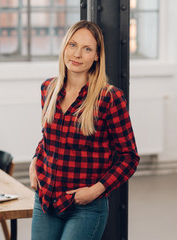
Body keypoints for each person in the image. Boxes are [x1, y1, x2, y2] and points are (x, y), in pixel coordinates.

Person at [29, 20, 139, 240]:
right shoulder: (48, 89)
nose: (77, 54)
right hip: (46, 200)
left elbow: (129, 158)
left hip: (86, 208)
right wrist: (34, 162)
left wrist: (96, 190)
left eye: (87, 49)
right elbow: (49, 139)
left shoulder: (109, 98)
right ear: (64, 47)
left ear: (97, 56)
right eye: (72, 45)